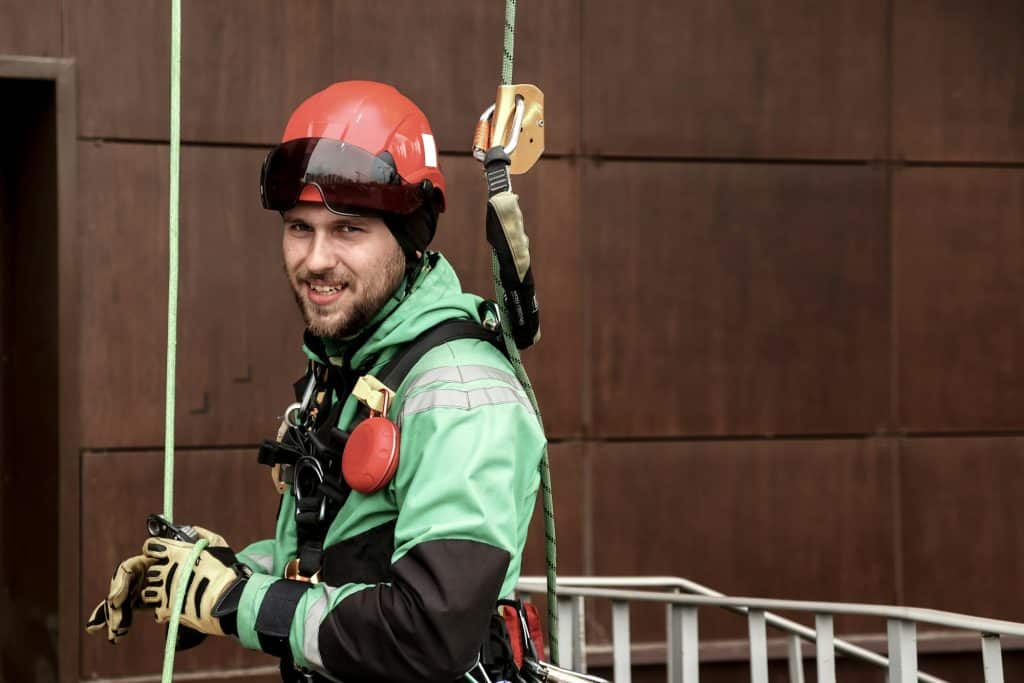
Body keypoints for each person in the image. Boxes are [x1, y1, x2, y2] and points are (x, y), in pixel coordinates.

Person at [86, 80, 547, 683]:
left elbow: (429, 634)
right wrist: (201, 573)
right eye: (300, 227)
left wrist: (232, 601)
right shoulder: (357, 365)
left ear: (411, 237)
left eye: (348, 229)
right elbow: (337, 566)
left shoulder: (456, 394)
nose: (316, 260)